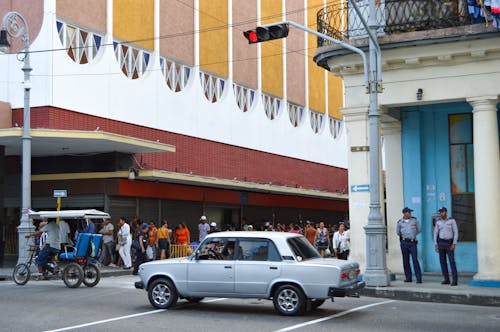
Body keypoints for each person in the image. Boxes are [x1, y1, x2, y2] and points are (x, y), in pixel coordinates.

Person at [434, 206, 459, 286]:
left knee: (452, 262)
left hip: (449, 244)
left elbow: (456, 232)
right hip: (441, 243)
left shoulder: (452, 221)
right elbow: (435, 233)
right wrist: (436, 244)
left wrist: (454, 243)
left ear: (446, 212)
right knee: (442, 262)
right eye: (441, 212)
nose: (442, 213)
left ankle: (454, 280)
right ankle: (446, 279)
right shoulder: (438, 222)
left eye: (443, 212)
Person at [396, 207, 422, 283]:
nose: (410, 213)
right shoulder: (400, 222)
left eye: (410, 212)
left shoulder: (414, 220)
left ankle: (419, 278)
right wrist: (405, 236)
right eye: (408, 212)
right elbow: (398, 232)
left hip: (412, 243)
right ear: (404, 213)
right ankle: (408, 278)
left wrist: (413, 235)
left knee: (415, 260)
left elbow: (419, 229)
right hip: (404, 243)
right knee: (405, 260)